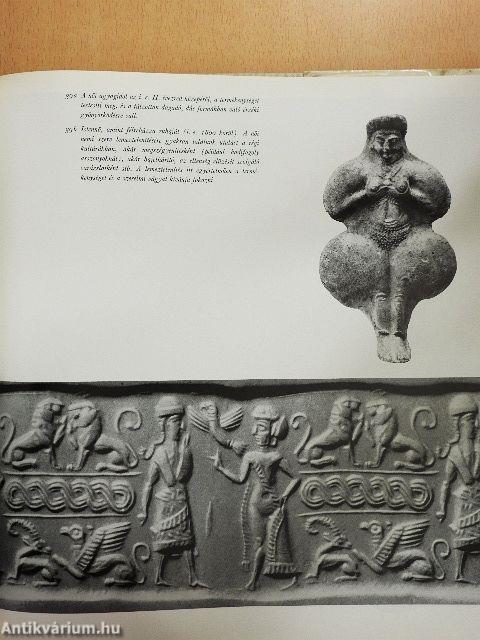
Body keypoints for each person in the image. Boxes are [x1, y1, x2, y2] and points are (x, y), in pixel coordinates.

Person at [320, 115, 456, 363]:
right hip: (366, 241)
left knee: (402, 289)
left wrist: (409, 193)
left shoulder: (417, 169)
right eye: (380, 141)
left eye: (392, 142)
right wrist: (365, 193)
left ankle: (399, 333)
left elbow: (438, 206)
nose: (386, 148)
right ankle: (384, 333)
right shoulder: (356, 169)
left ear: (402, 141)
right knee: (379, 290)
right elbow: (335, 207)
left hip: (409, 239)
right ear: (370, 141)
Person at [209, 402, 299, 591]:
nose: (256, 432)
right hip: (256, 504)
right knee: (260, 542)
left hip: (271, 503)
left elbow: (296, 478)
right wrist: (221, 468)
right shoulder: (250, 456)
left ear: (272, 431)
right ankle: (253, 581)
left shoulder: (276, 456)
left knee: (277, 539)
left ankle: (282, 577)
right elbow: (240, 479)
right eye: (255, 427)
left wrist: (284, 495)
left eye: (262, 428)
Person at [137, 395, 207, 588]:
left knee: (186, 541)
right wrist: (143, 509)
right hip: (166, 502)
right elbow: (152, 483)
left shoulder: (184, 450)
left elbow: (182, 477)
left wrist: (184, 452)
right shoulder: (160, 453)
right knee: (163, 540)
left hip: (181, 500)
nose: (181, 426)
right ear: (166, 425)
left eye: (180, 422)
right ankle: (158, 576)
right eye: (177, 422)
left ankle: (192, 577)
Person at [436, 394, 480, 582]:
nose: (475, 425)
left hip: (478, 497)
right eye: (471, 420)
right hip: (464, 500)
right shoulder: (454, 453)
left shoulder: (478, 449)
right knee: (461, 536)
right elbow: (446, 482)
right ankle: (458, 573)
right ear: (460, 423)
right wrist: (441, 508)